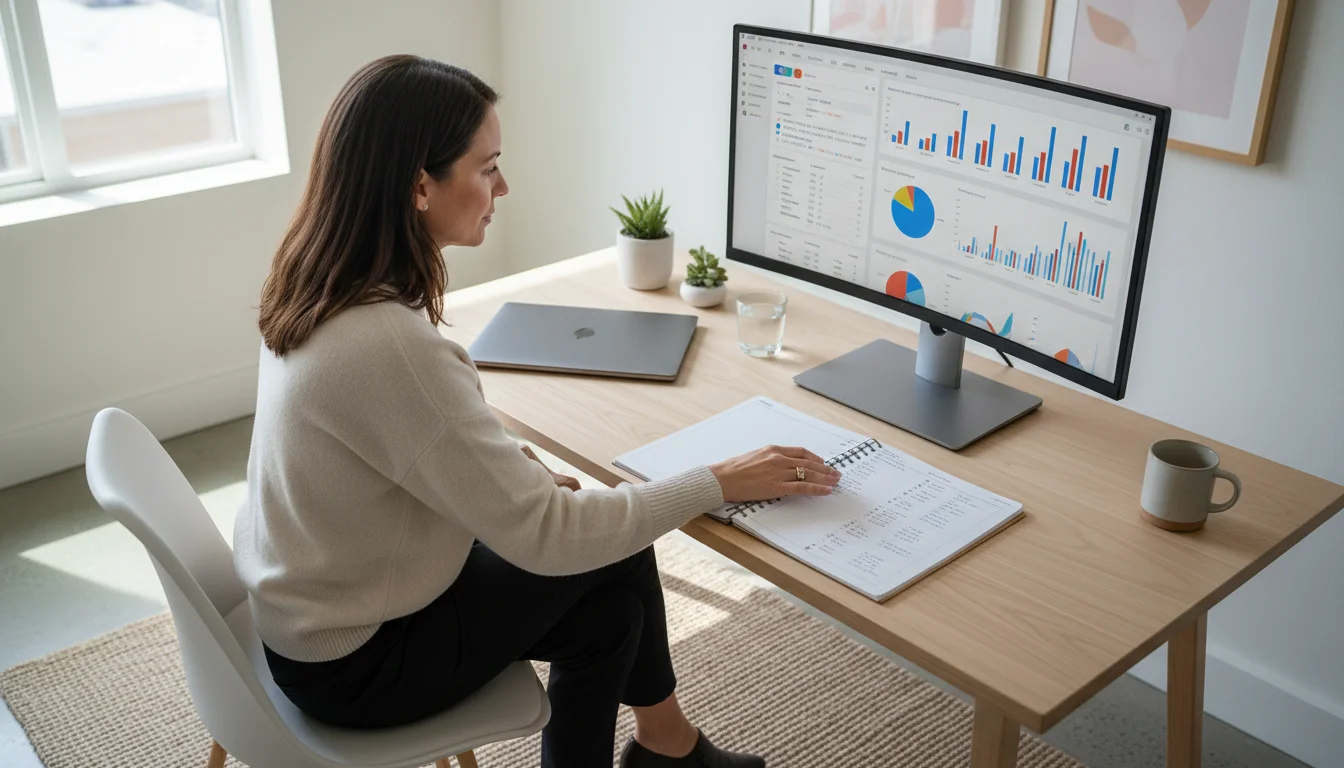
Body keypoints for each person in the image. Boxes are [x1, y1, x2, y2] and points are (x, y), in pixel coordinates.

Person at [233, 55, 841, 768]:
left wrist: (505, 470)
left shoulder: (322, 280)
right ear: (419, 186)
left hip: (324, 610)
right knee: (610, 542)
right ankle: (672, 751)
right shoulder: (388, 345)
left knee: (609, 611)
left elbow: (405, 441)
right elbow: (548, 536)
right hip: (359, 663)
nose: (504, 186)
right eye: (486, 167)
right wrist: (719, 482)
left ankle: (667, 747)